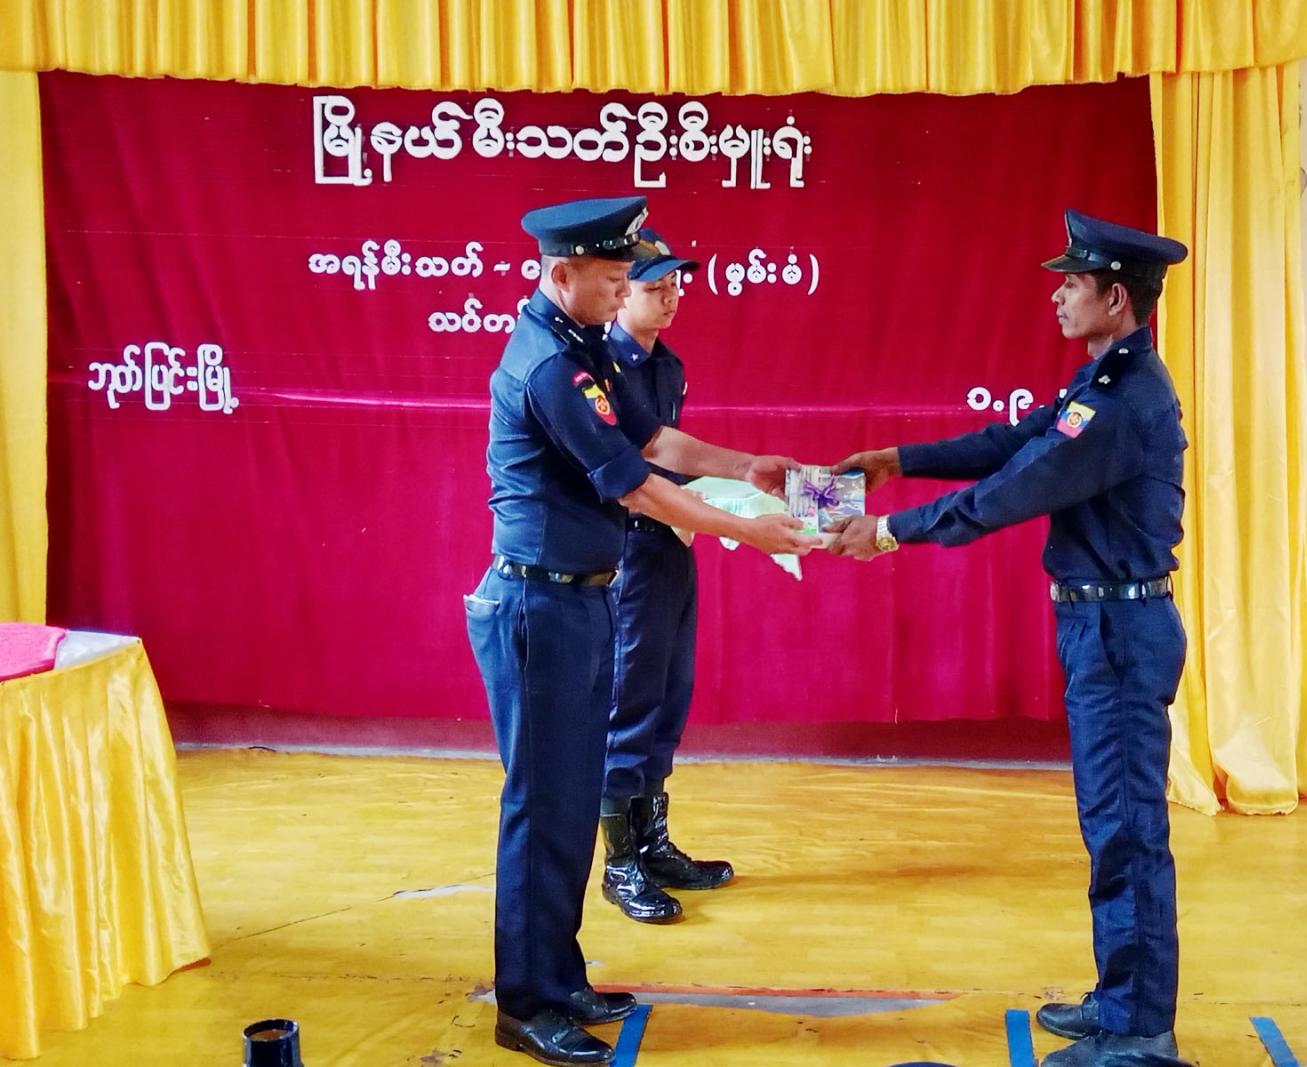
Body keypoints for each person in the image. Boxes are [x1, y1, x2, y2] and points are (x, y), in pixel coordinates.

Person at [828, 210, 1194, 1067]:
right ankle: (1121, 999)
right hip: (1102, 623)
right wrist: (900, 458)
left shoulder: (1123, 402)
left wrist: (889, 530)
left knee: (1126, 828)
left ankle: (1141, 1032)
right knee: (1111, 821)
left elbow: (1017, 486)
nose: (1058, 296)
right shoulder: (1103, 381)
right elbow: (1013, 441)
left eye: (1073, 283)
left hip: (1119, 629)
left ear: (1115, 297)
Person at [464, 196, 818, 1065]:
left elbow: (653, 440)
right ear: (563, 274)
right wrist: (749, 529)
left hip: (579, 597)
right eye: (615, 280)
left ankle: (560, 976)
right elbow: (632, 482)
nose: (627, 293)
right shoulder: (551, 365)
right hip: (538, 604)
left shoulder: (582, 346)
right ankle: (526, 1003)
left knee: (569, 801)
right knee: (542, 809)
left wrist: (748, 468)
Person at [598, 230, 735, 926]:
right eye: (655, 287)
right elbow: (630, 471)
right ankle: (619, 863)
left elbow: (668, 455)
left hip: (672, 543)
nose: (671, 296)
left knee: (668, 696)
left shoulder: (667, 365)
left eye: (676, 284)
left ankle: (652, 842)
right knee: (628, 702)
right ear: (620, 294)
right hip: (629, 550)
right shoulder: (601, 367)